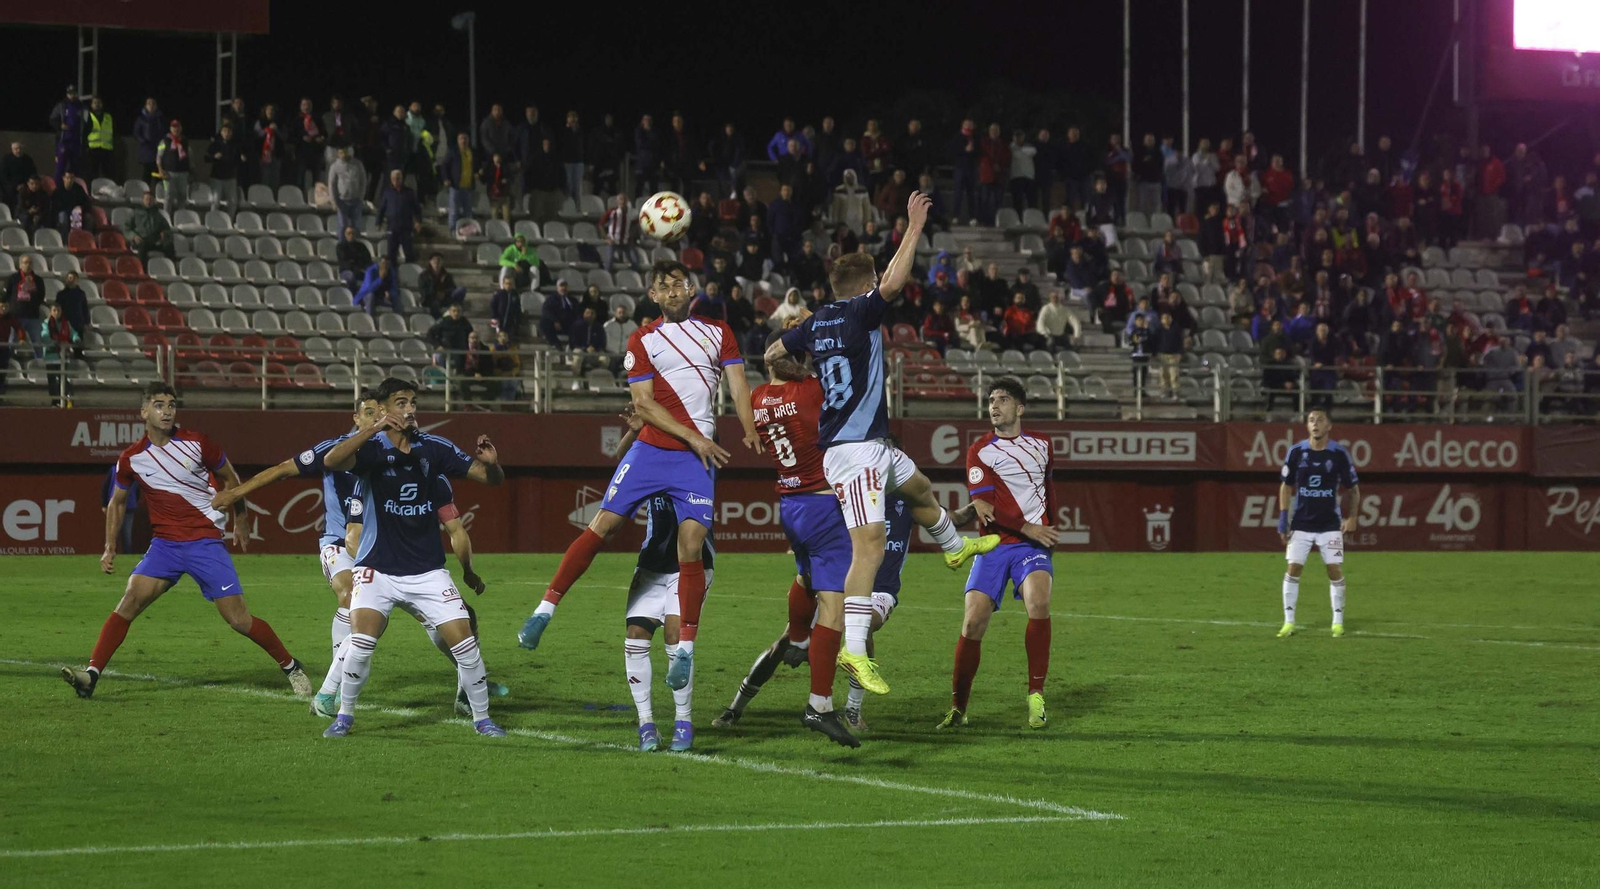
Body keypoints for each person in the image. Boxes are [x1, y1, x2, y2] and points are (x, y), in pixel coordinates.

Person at [765, 192, 999, 747]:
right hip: (854, 449)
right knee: (868, 549)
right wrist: (913, 227)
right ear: (864, 284)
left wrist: (809, 370)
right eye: (872, 282)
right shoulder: (859, 310)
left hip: (870, 444)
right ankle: (853, 648)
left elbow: (772, 352)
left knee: (919, 488)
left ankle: (952, 546)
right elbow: (894, 282)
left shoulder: (816, 322)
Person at [518, 260, 761, 691]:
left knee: (691, 545)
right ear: (653, 296)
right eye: (664, 286)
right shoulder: (642, 339)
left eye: (679, 284)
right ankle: (543, 611)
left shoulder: (719, 331)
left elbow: (739, 385)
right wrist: (696, 438)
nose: (672, 291)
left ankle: (684, 650)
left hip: (695, 458)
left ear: (691, 289)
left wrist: (748, 427)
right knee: (603, 525)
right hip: (652, 450)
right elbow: (644, 405)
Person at [60, 383, 311, 701]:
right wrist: (110, 546)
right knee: (129, 602)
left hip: (204, 542)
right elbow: (117, 502)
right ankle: (91, 676)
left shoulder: (197, 443)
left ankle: (291, 666)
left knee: (238, 620)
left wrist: (241, 518)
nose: (166, 411)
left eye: (171, 404)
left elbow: (231, 479)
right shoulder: (132, 459)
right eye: (158, 405)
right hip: (165, 545)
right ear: (144, 412)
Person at [315, 378, 506, 737]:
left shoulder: (433, 448)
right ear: (385, 409)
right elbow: (332, 460)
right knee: (361, 644)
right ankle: (344, 716)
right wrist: (373, 428)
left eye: (413, 402)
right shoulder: (371, 450)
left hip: (427, 572)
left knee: (466, 644)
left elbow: (489, 479)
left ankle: (483, 720)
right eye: (401, 403)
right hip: (377, 570)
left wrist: (492, 465)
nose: (410, 409)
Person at [940, 378, 1059, 731]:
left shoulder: (1043, 444)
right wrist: (1029, 527)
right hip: (993, 544)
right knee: (973, 623)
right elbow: (984, 507)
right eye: (992, 399)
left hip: (1031, 548)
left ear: (1019, 408)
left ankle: (1036, 695)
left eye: (1003, 399)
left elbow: (1048, 487)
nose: (994, 405)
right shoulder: (980, 450)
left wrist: (1050, 528)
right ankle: (959, 708)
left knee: (1039, 602)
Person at [1276, 408, 1360, 639]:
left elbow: (1353, 489)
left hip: (1330, 525)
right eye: (1311, 420)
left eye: (1320, 420)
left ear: (1329, 426)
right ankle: (1289, 622)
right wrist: (1283, 518)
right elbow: (1286, 486)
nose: (1315, 424)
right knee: (1293, 568)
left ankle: (1338, 623)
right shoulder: (1296, 452)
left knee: (1334, 569)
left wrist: (1352, 517)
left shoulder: (1338, 454)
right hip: (1301, 524)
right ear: (1307, 426)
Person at [122, 191, 177, 263]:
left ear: (154, 201)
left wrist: (164, 233)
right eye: (147, 199)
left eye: (151, 200)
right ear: (143, 200)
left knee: (169, 247)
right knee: (142, 247)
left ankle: (172, 266)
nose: (148, 202)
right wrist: (133, 236)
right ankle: (142, 268)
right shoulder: (135, 213)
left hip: (155, 241)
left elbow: (167, 229)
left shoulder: (158, 215)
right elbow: (126, 228)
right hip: (141, 240)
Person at [327, 146, 367, 236]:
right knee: (343, 226)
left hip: (356, 200)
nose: (343, 155)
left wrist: (360, 197)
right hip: (342, 201)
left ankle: (355, 244)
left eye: (345, 152)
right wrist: (333, 202)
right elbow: (331, 185)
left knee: (356, 226)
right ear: (338, 154)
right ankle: (342, 244)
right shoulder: (334, 166)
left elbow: (363, 181)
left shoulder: (358, 164)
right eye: (341, 153)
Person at [206, 122, 246, 211]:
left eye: (229, 131)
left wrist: (242, 159)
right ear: (221, 132)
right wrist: (214, 156)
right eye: (224, 131)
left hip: (230, 177)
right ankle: (213, 218)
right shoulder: (215, 144)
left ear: (232, 133)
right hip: (217, 177)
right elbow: (206, 158)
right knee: (215, 201)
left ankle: (230, 219)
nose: (227, 133)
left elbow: (238, 160)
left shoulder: (236, 145)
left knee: (232, 202)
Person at [441, 133, 476, 234]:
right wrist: (445, 179)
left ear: (468, 140)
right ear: (458, 141)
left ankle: (468, 231)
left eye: (465, 138)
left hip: (468, 187)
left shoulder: (472, 152)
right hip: (456, 186)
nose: (463, 141)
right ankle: (453, 231)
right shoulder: (453, 152)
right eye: (461, 139)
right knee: (454, 211)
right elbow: (444, 165)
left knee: (468, 211)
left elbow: (476, 165)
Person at [428, 303, 474, 372]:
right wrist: (437, 345)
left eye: (458, 311)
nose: (456, 313)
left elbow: (472, 334)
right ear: (450, 312)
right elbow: (430, 334)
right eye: (454, 311)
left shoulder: (465, 323)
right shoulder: (443, 322)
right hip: (444, 350)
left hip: (460, 352)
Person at [419, 253, 467, 318]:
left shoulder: (446, 275)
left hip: (445, 298)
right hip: (430, 299)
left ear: (442, 262)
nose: (436, 262)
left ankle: (456, 312)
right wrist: (436, 294)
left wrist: (444, 293)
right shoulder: (424, 275)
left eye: (439, 260)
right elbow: (423, 290)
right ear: (430, 262)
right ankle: (440, 320)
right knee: (435, 304)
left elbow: (452, 288)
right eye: (434, 260)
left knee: (462, 290)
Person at [133, 98, 165, 183]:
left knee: (158, 175)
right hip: (147, 150)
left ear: (156, 106)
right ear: (145, 106)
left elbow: (164, 132)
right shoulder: (141, 118)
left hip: (158, 149)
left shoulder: (160, 118)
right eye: (149, 103)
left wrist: (162, 143)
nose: (151, 105)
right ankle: (146, 191)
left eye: (153, 103)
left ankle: (158, 191)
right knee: (147, 174)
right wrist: (144, 141)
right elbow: (136, 133)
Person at [50, 171, 91, 236]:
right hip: (64, 211)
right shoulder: (58, 191)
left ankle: (86, 237)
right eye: (68, 178)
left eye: (71, 178)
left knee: (88, 218)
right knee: (63, 217)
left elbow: (86, 202)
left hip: (78, 212)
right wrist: (70, 210)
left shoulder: (79, 188)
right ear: (64, 178)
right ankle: (64, 239)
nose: (69, 180)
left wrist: (81, 207)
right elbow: (55, 206)